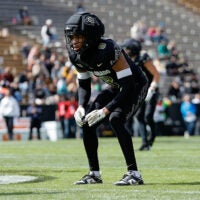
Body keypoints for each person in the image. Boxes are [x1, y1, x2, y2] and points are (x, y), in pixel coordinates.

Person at [64, 12, 149, 185]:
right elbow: (84, 83)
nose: (74, 42)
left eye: (78, 37)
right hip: (115, 86)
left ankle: (134, 173)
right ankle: (94, 174)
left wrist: (106, 109)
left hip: (135, 84)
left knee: (115, 118)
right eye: (72, 37)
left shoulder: (109, 49)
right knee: (87, 121)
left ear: (91, 36)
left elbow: (128, 85)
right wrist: (81, 106)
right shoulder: (76, 55)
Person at [121, 38, 160, 150]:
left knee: (148, 116)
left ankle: (151, 138)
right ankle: (144, 142)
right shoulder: (126, 60)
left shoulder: (143, 58)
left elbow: (156, 74)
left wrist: (152, 89)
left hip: (151, 89)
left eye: (127, 48)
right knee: (139, 116)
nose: (125, 50)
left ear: (133, 49)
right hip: (139, 90)